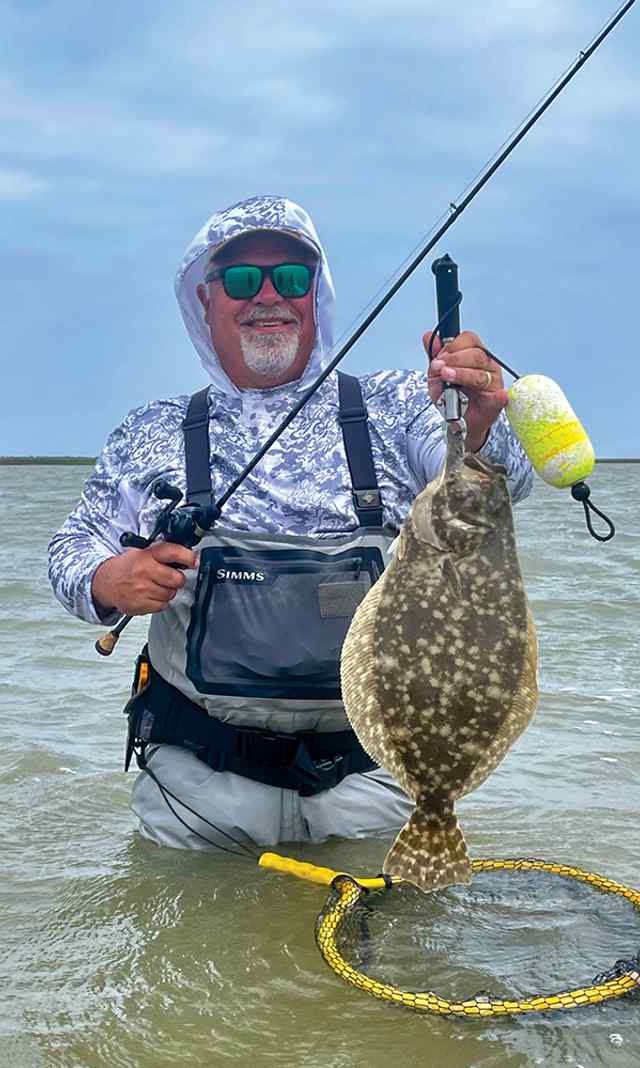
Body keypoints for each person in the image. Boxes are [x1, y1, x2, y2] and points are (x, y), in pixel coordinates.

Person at [48, 194, 533, 853]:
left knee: (402, 948)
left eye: (292, 277)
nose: (268, 295)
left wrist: (478, 428)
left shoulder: (393, 409)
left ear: (316, 295)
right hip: (196, 787)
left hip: (372, 781)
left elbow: (502, 491)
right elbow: (72, 547)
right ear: (205, 301)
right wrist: (110, 577)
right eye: (243, 279)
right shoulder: (153, 431)